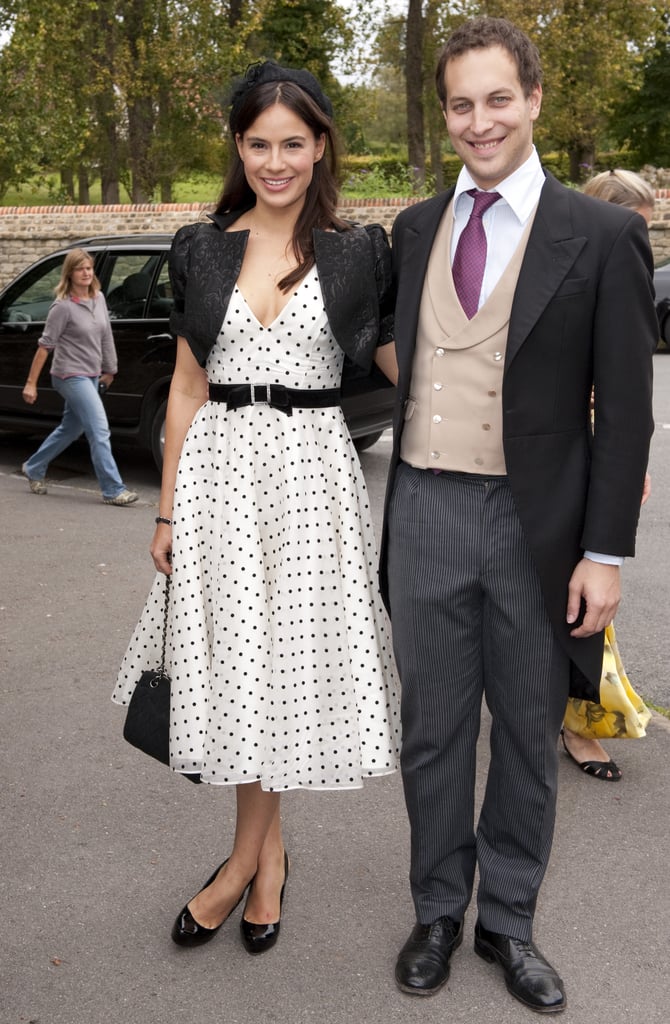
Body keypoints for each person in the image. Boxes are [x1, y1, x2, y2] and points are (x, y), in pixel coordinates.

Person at [380, 17, 656, 1013]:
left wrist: (603, 551)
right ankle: (437, 910)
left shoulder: (603, 234)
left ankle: (507, 921)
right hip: (421, 511)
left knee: (529, 729)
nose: (480, 119)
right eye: (461, 103)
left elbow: (627, 409)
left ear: (533, 101)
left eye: (498, 98)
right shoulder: (413, 228)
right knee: (433, 733)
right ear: (444, 113)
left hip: (534, 526)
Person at [113, 61, 400, 955]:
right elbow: (187, 391)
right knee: (242, 667)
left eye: (294, 143)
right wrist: (165, 512)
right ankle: (261, 864)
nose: (276, 161)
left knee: (282, 671)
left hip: (315, 478)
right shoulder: (199, 247)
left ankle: (242, 867)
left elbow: (403, 362)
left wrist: (530, 406)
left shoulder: (361, 251)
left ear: (321, 147)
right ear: (239, 148)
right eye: (259, 143)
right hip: (221, 475)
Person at [559, 169, 655, 780]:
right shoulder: (576, 261)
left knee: (591, 594)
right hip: (567, 455)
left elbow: (630, 390)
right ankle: (577, 721)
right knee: (568, 598)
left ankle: (580, 715)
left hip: (606, 452)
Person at [20, 248, 138, 506]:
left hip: (93, 374)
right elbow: (45, 346)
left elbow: (106, 336)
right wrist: (30, 384)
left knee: (70, 429)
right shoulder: (62, 308)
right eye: (80, 269)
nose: (86, 273)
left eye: (89, 268)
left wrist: (110, 370)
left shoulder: (99, 299)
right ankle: (113, 489)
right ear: (70, 274)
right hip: (69, 376)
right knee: (99, 429)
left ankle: (34, 467)